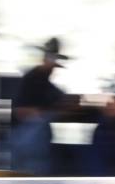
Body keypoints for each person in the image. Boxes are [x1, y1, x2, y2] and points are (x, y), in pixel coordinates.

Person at [6, 38, 71, 174]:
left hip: (29, 142)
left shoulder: (43, 81)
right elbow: (21, 111)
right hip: (27, 140)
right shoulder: (32, 79)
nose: (53, 67)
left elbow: (60, 98)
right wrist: (48, 113)